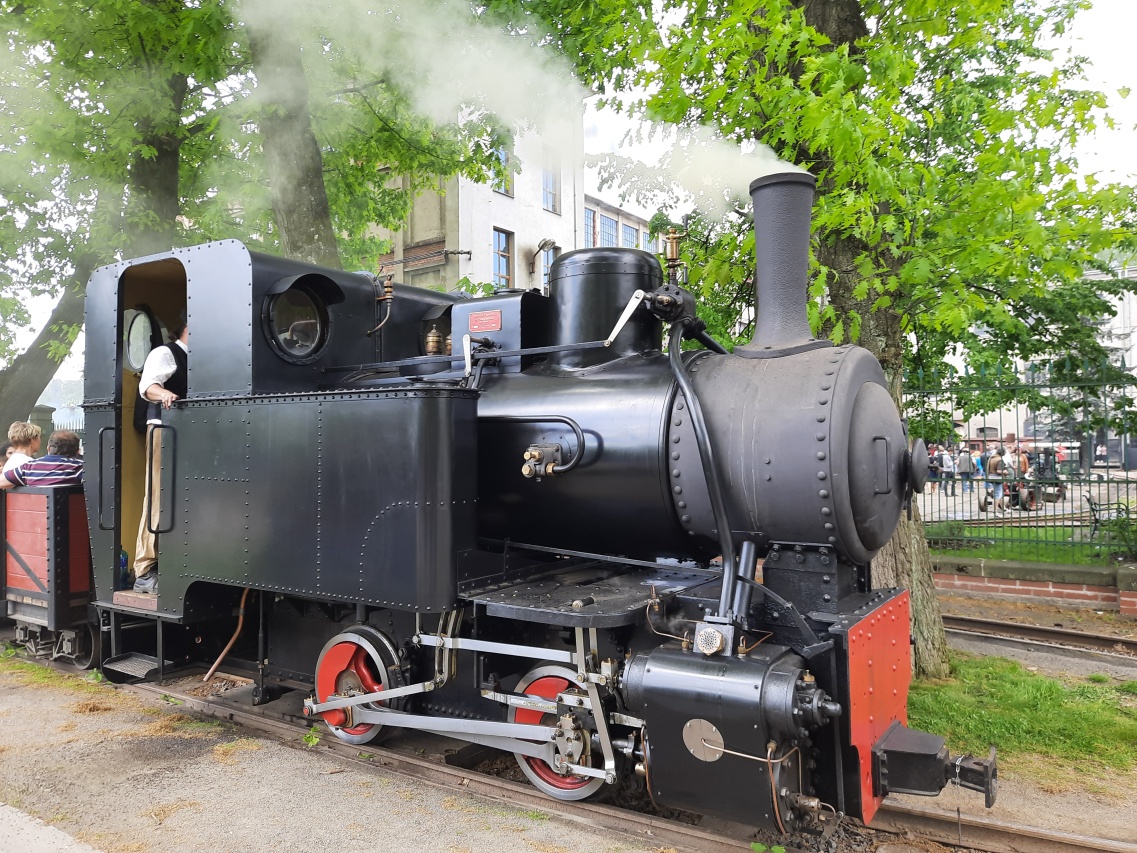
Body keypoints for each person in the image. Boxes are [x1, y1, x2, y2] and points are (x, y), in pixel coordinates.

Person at [133, 316, 188, 595]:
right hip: (164, 431)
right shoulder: (166, 353)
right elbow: (148, 387)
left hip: (193, 434)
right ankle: (144, 569)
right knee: (158, 497)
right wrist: (164, 393)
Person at [0, 430, 83, 489]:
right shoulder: (79, 467)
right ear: (77, 451)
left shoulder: (29, 467)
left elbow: (1, 482)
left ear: (49, 448)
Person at [987, 447, 1007, 512]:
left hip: (991, 476)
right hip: (997, 478)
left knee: (1000, 493)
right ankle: (995, 510)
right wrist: (1005, 471)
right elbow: (999, 471)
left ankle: (1003, 508)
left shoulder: (992, 458)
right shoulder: (999, 459)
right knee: (997, 494)